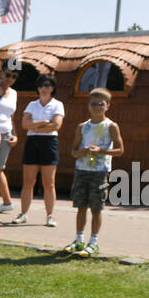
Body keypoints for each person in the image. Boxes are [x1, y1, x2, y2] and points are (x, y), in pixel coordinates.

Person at [64, 88, 123, 258]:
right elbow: (73, 152)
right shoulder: (82, 127)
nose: (97, 106)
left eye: (101, 103)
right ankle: (78, 239)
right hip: (82, 170)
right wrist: (81, 152)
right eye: (93, 103)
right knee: (81, 207)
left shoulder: (111, 126)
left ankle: (94, 242)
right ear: (88, 105)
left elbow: (120, 150)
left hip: (100, 172)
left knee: (96, 208)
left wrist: (101, 150)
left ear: (108, 106)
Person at [12, 75, 64, 226]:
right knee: (28, 181)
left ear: (52, 88)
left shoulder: (57, 105)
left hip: (49, 143)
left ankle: (50, 215)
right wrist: (43, 122)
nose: (43, 89)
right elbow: (24, 124)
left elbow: (56, 125)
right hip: (32, 142)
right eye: (41, 86)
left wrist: (34, 125)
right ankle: (23, 213)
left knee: (49, 183)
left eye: (47, 85)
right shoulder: (32, 104)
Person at [0, 64, 18, 225]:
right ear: (1, 73)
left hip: (5, 135)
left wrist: (15, 134)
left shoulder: (13, 93)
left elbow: (11, 117)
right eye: (8, 75)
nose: (10, 79)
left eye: (14, 77)